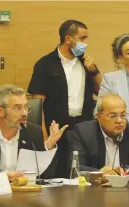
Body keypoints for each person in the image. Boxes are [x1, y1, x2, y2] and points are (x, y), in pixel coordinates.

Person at [27, 20, 102, 177]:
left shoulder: (85, 62)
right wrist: (43, 134)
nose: (85, 43)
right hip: (56, 127)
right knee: (56, 172)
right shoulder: (45, 64)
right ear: (68, 39)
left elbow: (100, 90)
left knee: (79, 172)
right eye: (82, 38)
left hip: (82, 126)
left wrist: (93, 70)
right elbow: (37, 104)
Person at [0, 85, 68, 181]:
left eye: (26, 107)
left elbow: (45, 176)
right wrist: (2, 176)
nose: (24, 113)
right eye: (17, 108)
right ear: (0, 111)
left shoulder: (34, 133)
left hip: (23, 192)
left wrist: (49, 146)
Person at [67, 94, 129, 172]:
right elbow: (75, 166)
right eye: (113, 116)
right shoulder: (84, 133)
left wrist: (124, 170)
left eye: (123, 115)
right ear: (98, 117)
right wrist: (101, 173)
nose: (119, 120)